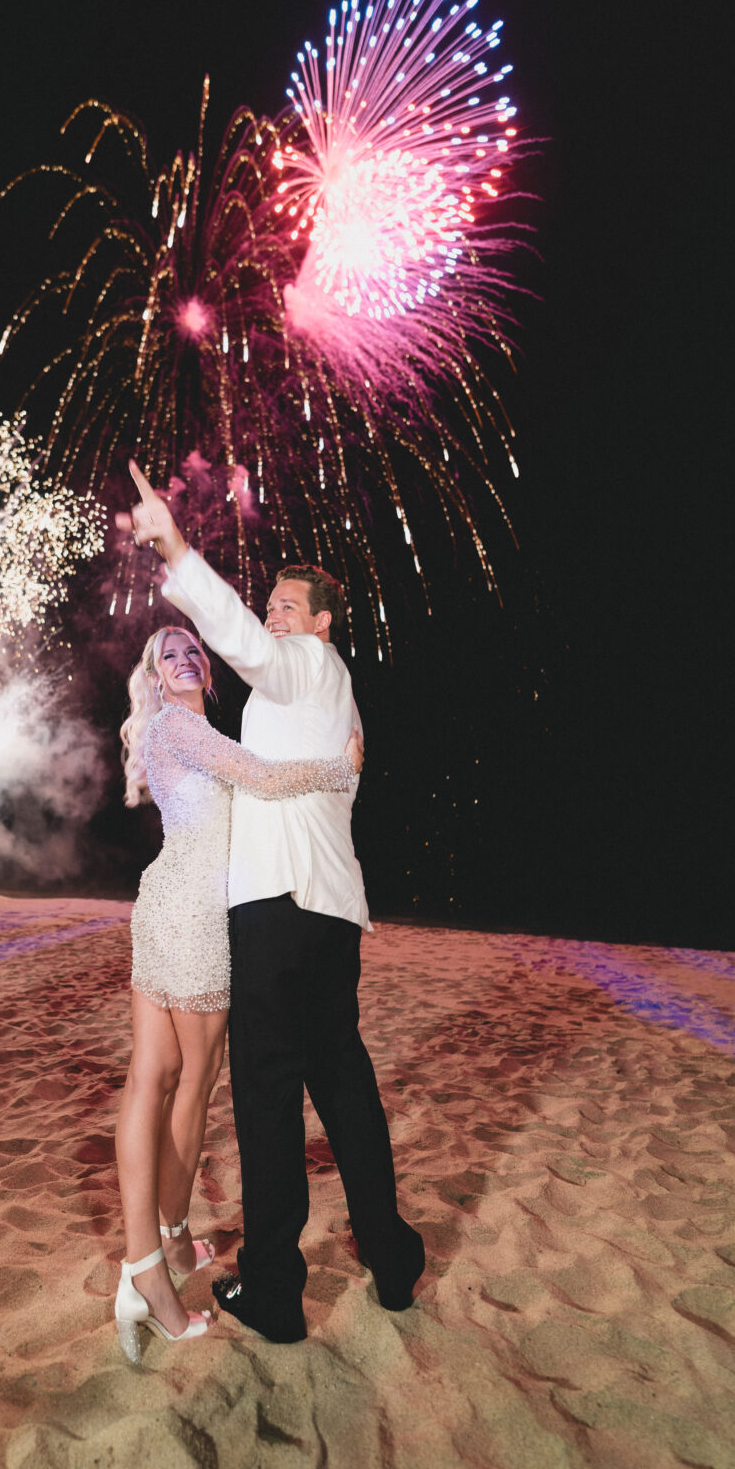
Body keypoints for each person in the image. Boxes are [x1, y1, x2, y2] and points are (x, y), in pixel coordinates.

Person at [118, 461, 425, 1344]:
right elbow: (271, 772)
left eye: (287, 606)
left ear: (319, 623)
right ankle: (392, 1259)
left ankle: (277, 1291)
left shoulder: (296, 663)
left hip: (276, 908)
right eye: (274, 605)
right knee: (344, 1081)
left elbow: (244, 642)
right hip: (332, 909)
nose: (272, 617)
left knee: (262, 1094)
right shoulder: (332, 700)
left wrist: (173, 544)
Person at [113, 622, 364, 1363]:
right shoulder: (182, 729)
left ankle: (161, 1246)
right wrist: (338, 771)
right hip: (191, 916)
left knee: (150, 1081)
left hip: (159, 903)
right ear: (155, 677)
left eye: (194, 650)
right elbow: (263, 778)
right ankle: (148, 1272)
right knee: (190, 1084)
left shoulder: (175, 731)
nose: (187, 658)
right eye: (170, 655)